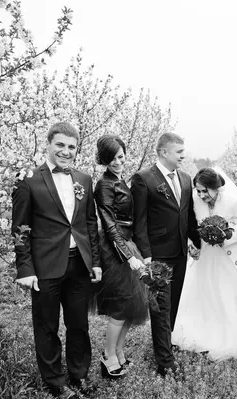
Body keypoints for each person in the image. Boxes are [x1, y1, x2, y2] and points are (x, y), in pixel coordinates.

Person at [12, 122, 101, 399]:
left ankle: (79, 375)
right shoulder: (27, 180)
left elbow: (88, 223)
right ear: (48, 144)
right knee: (47, 326)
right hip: (45, 266)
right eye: (60, 145)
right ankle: (55, 381)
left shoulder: (84, 179)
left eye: (71, 147)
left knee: (79, 325)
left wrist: (95, 261)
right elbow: (20, 229)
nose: (66, 152)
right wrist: (25, 269)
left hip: (79, 265)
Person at [172, 167, 237, 360]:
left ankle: (232, 330)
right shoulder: (195, 200)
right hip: (204, 254)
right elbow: (189, 224)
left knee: (227, 291)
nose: (202, 195)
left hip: (227, 255)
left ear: (217, 188)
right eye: (199, 191)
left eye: (206, 191)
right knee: (204, 291)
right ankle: (203, 328)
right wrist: (192, 242)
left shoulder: (233, 201)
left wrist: (226, 236)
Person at [131, 132, 201, 376]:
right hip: (157, 256)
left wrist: (197, 241)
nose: (184, 156)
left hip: (181, 253)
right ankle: (165, 362)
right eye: (179, 152)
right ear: (163, 152)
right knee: (160, 308)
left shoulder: (185, 178)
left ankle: (165, 343)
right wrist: (146, 255)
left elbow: (188, 214)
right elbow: (138, 222)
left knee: (173, 305)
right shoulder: (143, 179)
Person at [92, 135, 148, 379]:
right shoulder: (104, 184)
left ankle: (119, 351)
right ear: (104, 160)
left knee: (131, 304)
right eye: (112, 158)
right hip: (115, 248)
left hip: (127, 242)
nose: (118, 162)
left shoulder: (120, 180)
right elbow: (108, 223)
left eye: (121, 156)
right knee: (121, 305)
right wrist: (127, 255)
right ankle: (107, 355)